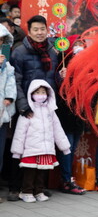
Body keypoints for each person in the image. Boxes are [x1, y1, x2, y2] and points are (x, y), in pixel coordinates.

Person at [8, 15, 65, 201]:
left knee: (44, 147)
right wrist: (24, 107)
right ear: (29, 31)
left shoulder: (52, 50)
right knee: (20, 147)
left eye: (43, 29)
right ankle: (16, 187)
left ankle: (38, 188)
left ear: (47, 30)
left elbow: (53, 80)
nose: (40, 33)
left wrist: (61, 77)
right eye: (36, 29)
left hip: (45, 107)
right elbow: (15, 81)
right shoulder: (20, 52)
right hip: (25, 108)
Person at [10, 80, 70, 202]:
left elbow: (57, 129)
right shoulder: (28, 112)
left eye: (43, 92)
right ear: (31, 94)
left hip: (46, 148)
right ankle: (26, 192)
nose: (41, 94)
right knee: (30, 172)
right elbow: (20, 133)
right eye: (37, 92)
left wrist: (65, 147)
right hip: (31, 149)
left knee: (42, 171)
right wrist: (17, 151)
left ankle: (39, 191)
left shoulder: (50, 111)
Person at [55, 35, 86, 195]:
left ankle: (68, 178)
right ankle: (66, 180)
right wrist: (61, 78)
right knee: (66, 148)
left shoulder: (86, 66)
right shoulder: (62, 65)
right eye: (76, 44)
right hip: (66, 114)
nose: (79, 47)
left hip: (79, 114)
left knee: (72, 148)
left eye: (82, 44)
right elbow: (58, 89)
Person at [0, 24, 16, 202]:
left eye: (2, 41)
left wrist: (9, 98)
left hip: (2, 114)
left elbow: (11, 83)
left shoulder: (8, 65)